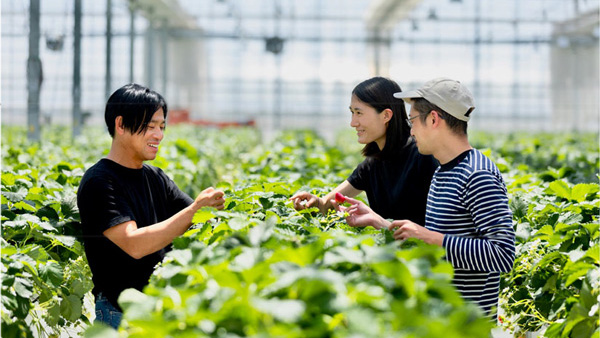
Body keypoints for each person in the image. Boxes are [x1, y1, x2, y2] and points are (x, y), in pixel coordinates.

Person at [336, 77, 515, 319]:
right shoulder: (442, 172)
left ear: (433, 119)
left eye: (413, 121)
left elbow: (502, 255)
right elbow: (436, 244)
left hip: (467, 326)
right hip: (438, 318)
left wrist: (428, 236)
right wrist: (378, 221)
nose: (410, 130)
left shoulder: (478, 174)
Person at [77, 83, 226, 329]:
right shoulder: (100, 181)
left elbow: (202, 218)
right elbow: (134, 244)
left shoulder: (156, 177)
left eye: (161, 126)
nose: (159, 135)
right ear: (121, 125)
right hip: (121, 316)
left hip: (161, 310)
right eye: (149, 127)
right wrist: (194, 211)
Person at [289, 77, 438, 225]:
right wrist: (314, 203)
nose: (353, 123)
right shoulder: (372, 164)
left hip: (426, 248)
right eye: (352, 112)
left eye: (359, 113)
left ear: (386, 115)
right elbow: (326, 205)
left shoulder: (422, 156)